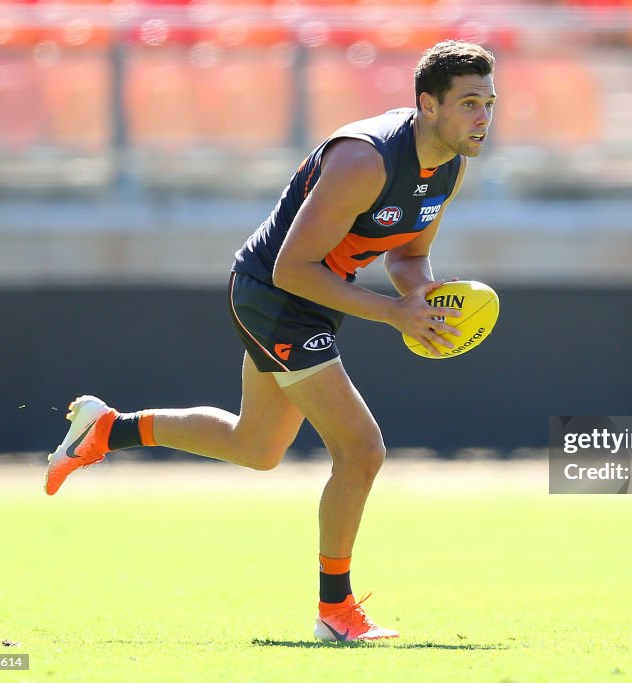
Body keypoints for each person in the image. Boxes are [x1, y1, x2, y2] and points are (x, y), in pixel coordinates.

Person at [43, 40, 496, 642]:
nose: (483, 117)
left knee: (256, 446)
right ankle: (336, 612)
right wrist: (394, 315)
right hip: (274, 295)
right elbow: (290, 268)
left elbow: (410, 255)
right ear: (427, 105)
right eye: (469, 103)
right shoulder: (365, 161)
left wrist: (425, 299)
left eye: (489, 102)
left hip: (314, 298)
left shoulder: (451, 164)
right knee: (361, 450)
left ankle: (107, 429)